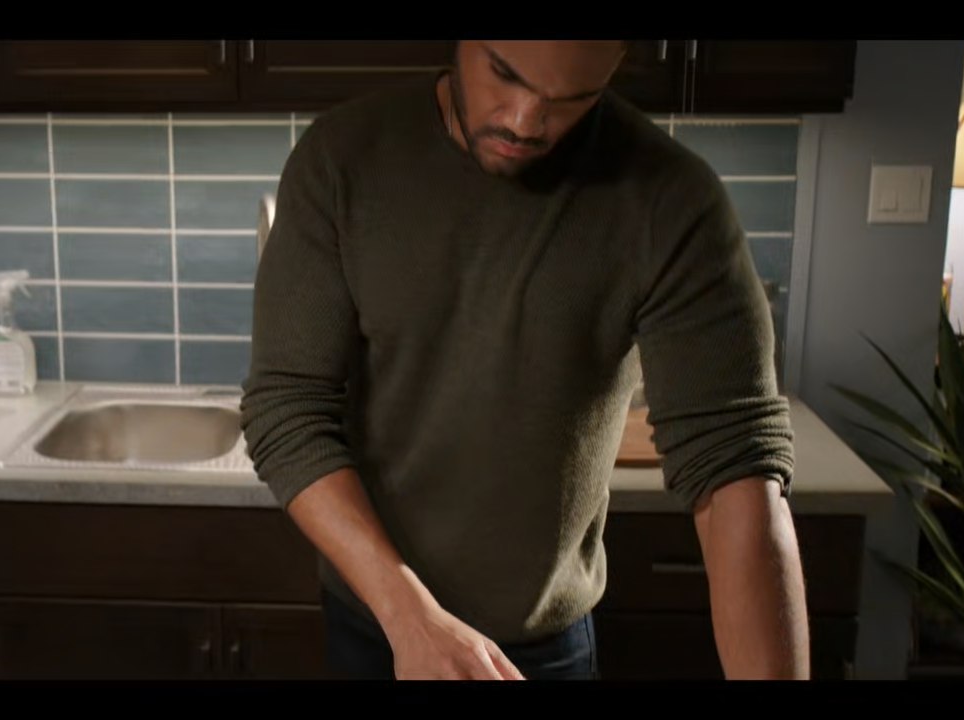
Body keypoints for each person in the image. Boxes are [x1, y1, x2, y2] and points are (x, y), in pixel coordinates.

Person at [239, 40, 809, 681]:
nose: (524, 121)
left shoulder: (672, 203)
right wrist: (409, 617)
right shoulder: (342, 159)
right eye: (504, 75)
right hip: (376, 620)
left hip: (546, 647)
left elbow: (737, 472)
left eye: (572, 99)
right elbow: (287, 410)